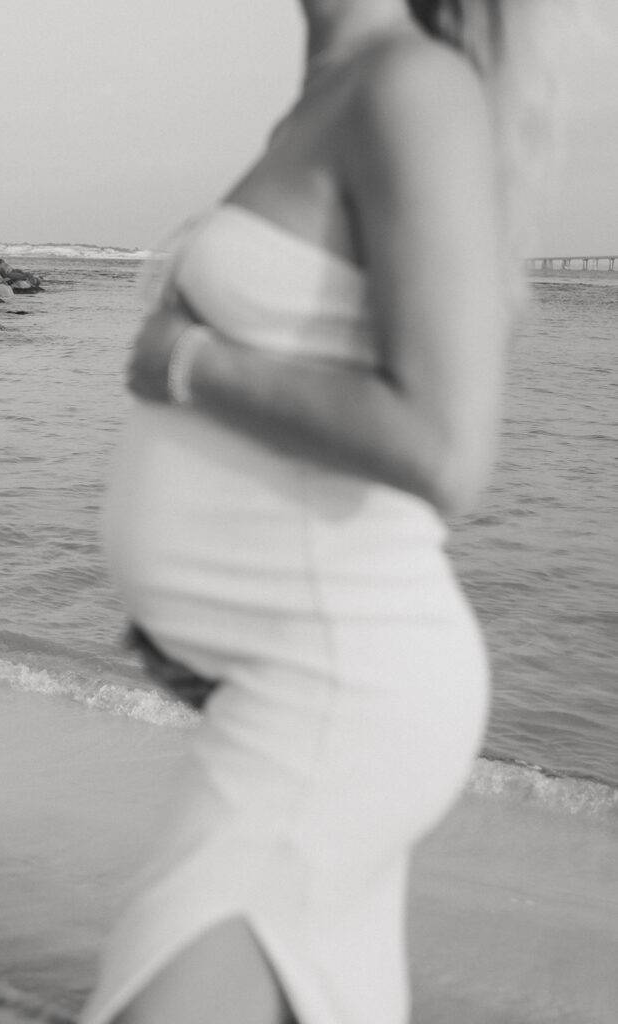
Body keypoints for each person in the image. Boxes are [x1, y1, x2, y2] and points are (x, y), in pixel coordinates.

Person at [82, 1, 559, 1022]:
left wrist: (189, 360)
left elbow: (446, 446)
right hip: (290, 677)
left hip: (337, 693)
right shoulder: (332, 93)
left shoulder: (408, 86)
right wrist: (203, 614)